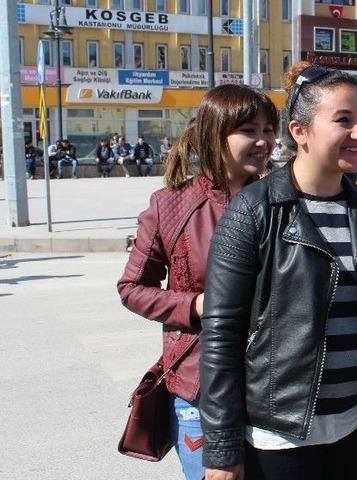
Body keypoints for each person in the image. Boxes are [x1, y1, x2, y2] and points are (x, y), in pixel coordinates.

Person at [198, 62, 357, 480]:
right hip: (280, 438)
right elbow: (221, 333)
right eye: (343, 121)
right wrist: (221, 451)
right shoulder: (255, 211)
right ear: (299, 131)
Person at [117, 84, 277, 480]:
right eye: (249, 130)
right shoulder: (170, 205)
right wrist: (195, 305)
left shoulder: (283, 198)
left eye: (268, 130)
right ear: (214, 134)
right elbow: (132, 288)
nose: (263, 142)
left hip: (274, 385)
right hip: (197, 387)